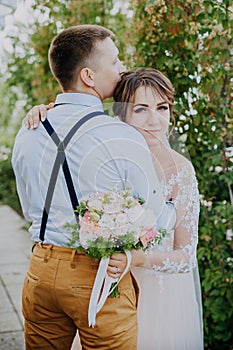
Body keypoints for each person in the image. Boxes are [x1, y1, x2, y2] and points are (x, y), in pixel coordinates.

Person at [25, 67, 204, 350]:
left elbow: (186, 256)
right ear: (121, 116)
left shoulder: (181, 170)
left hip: (161, 298)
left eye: (162, 107)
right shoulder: (106, 153)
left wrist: (136, 259)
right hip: (101, 287)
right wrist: (44, 110)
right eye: (141, 109)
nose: (155, 121)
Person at [12, 25, 165, 350]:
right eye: (114, 60)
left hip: (40, 270)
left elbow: (28, 207)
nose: (122, 67)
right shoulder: (122, 136)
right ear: (88, 76)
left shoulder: (30, 130)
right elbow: (153, 215)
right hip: (98, 274)